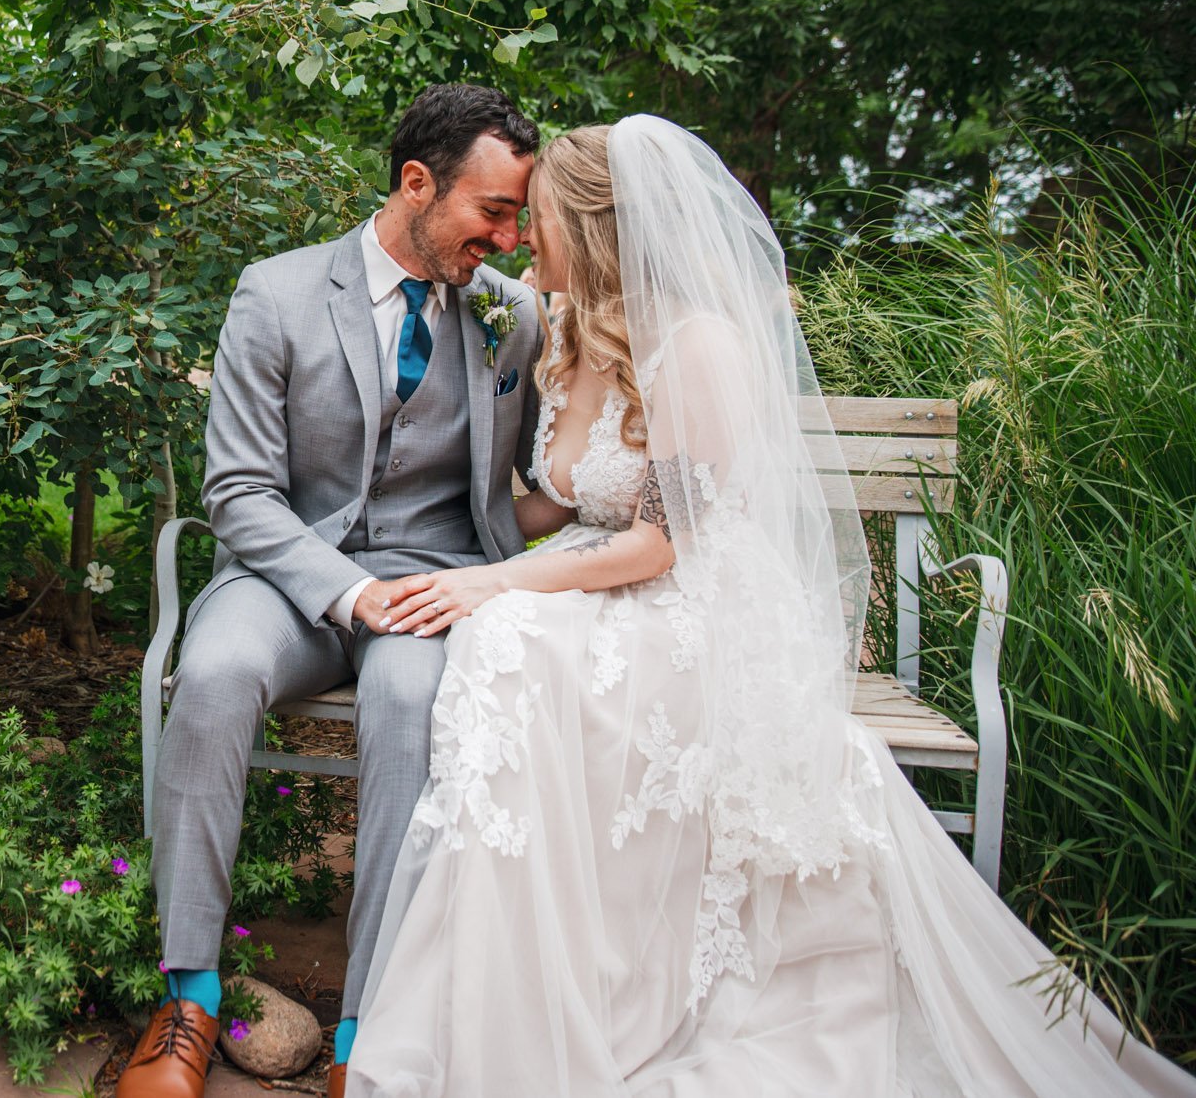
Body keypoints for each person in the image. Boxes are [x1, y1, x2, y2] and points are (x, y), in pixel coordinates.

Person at [344, 116, 1196, 1096]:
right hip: (604, 572)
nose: (517, 240)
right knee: (505, 636)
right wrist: (416, 499)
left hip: (684, 602)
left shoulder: (697, 346)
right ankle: (532, 978)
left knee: (506, 633)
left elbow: (660, 542)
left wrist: (488, 580)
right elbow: (556, 500)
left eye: (536, 221)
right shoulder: (572, 332)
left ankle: (572, 989)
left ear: (592, 230)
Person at [115, 84, 544, 1098]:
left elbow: (541, 475)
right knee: (213, 674)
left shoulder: (509, 314)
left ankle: (369, 1023)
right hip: (288, 571)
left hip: (437, 576)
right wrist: (347, 591)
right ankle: (186, 992)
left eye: (517, 215)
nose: (508, 235)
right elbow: (237, 490)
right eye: (491, 210)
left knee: (407, 700)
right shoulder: (276, 293)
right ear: (414, 183)